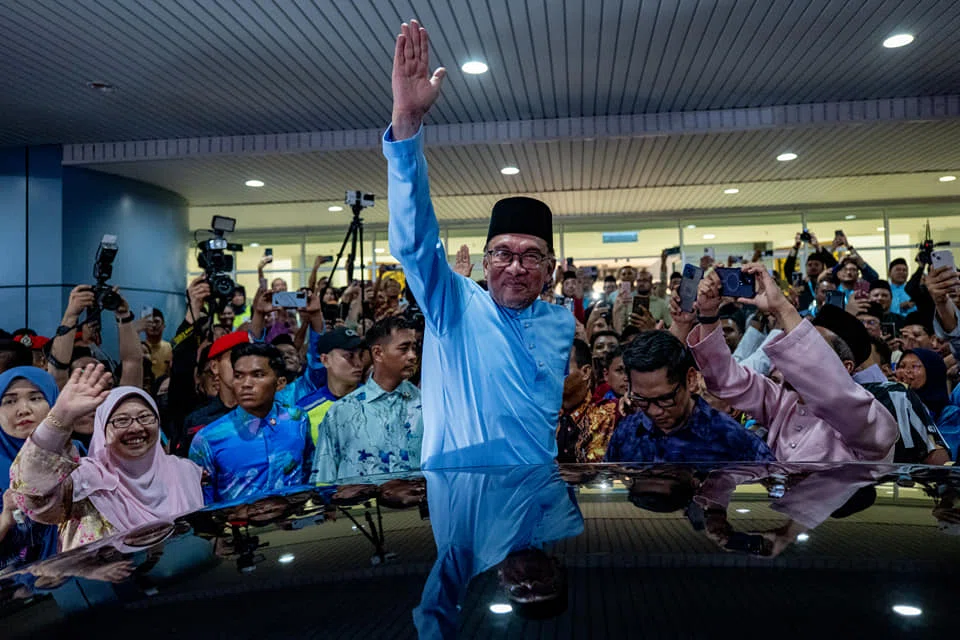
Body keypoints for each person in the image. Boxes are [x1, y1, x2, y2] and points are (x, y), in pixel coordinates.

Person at [384, 20, 574, 468]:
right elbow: (414, 243)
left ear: (550, 268)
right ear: (486, 261)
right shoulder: (455, 304)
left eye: (531, 256)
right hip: (465, 498)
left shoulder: (561, 324)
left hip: (537, 497)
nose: (515, 267)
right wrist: (407, 125)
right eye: (504, 253)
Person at [688, 264, 899, 462]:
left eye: (811, 348)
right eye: (802, 345)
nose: (799, 355)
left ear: (845, 367)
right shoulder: (783, 402)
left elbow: (837, 396)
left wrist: (783, 308)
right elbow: (725, 379)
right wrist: (708, 316)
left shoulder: (874, 418)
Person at [9, 366, 203, 551]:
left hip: (184, 579)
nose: (136, 428)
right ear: (102, 430)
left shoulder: (185, 471)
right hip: (106, 585)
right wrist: (59, 419)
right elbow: (31, 497)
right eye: (121, 421)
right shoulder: (86, 479)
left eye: (145, 417)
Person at [605, 331, 774, 463]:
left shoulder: (731, 438)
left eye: (665, 399)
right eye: (642, 400)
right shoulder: (627, 432)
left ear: (691, 380)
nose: (655, 411)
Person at [189, 343, 313, 504]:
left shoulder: (297, 420)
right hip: (239, 526)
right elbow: (202, 504)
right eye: (239, 376)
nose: (246, 384)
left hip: (294, 524)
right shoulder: (208, 439)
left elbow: (309, 472)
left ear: (280, 383)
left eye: (258, 375)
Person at [311, 317, 422, 482]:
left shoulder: (427, 405)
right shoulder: (342, 411)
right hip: (359, 507)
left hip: (418, 505)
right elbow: (324, 477)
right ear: (378, 353)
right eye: (404, 349)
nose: (412, 356)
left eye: (414, 348)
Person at [0, 368, 61, 569]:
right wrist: (6, 519)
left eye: (35, 398)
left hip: (84, 573)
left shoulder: (75, 454)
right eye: (10, 401)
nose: (23, 409)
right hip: (16, 591)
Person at [178, 330, 250, 454]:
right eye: (234, 358)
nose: (240, 366)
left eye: (246, 360)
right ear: (215, 367)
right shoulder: (197, 419)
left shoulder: (260, 413)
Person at [295, 327, 365, 446]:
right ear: (325, 360)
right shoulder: (305, 409)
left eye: (361, 356)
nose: (359, 363)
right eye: (349, 356)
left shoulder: (376, 401)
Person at [555, 340, 618, 463]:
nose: (553, 373)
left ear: (585, 372)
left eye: (562, 366)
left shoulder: (611, 412)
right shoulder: (545, 415)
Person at [784, 232, 837, 311]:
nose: (813, 267)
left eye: (816, 264)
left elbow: (833, 265)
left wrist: (817, 246)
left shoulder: (829, 282)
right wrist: (796, 247)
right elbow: (788, 269)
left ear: (823, 266)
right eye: (809, 265)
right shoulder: (800, 284)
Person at [142, 309, 172, 379]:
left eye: (157, 321)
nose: (153, 325)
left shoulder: (171, 348)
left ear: (163, 325)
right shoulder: (138, 349)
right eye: (150, 322)